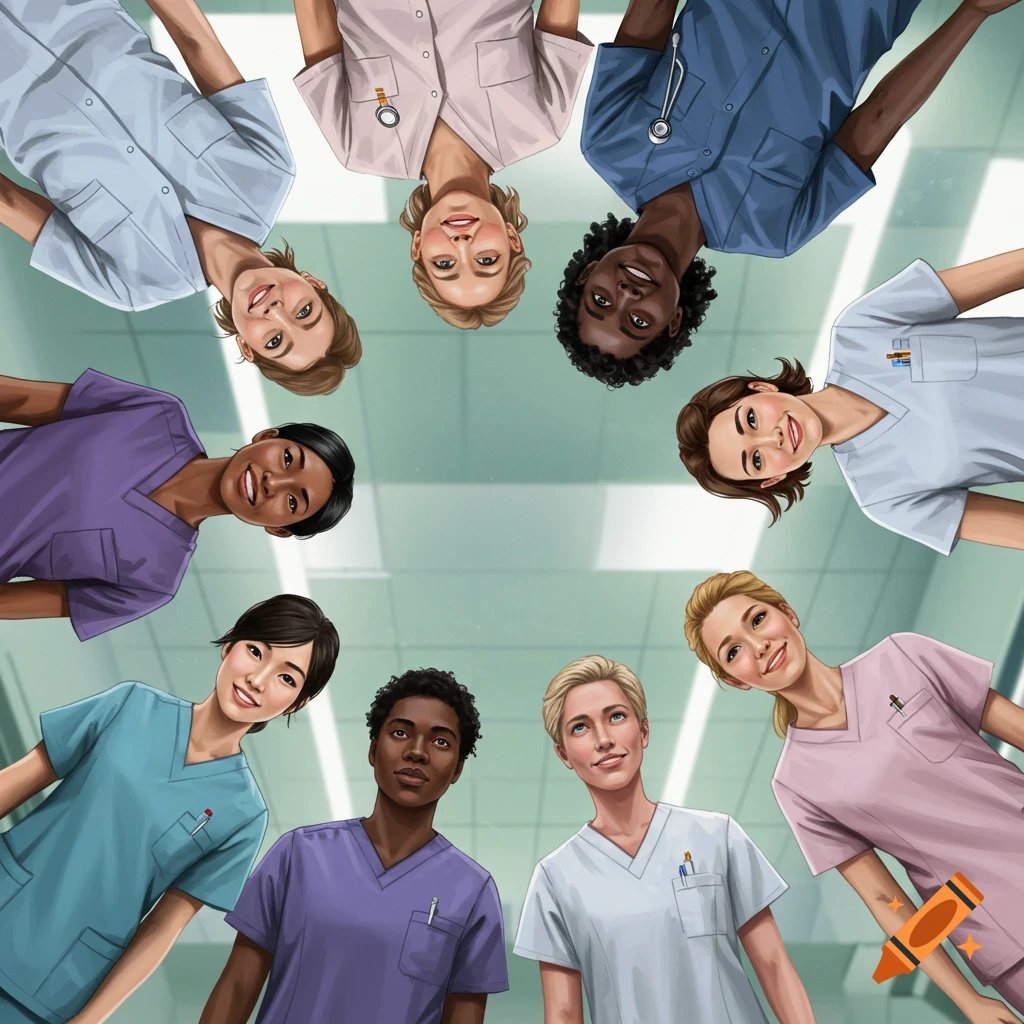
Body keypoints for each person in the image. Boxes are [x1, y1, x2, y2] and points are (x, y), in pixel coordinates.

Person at [554, 0, 1022, 387]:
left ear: (588, 273)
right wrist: (975, 12)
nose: (627, 296)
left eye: (601, 301)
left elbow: (655, 6)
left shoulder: (608, 141)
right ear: (672, 320)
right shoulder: (776, 229)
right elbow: (879, 117)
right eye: (639, 322)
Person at [685, 569, 1024, 1023]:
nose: (757, 646)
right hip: (1003, 934)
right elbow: (888, 901)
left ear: (788, 612)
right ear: (735, 680)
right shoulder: (796, 783)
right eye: (733, 652)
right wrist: (968, 1001)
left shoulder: (903, 656)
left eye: (758, 619)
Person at [0, 594, 341, 1024]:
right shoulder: (131, 706)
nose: (257, 679)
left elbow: (164, 927)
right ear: (229, 646)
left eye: (286, 679)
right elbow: (15, 782)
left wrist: (89, 1020)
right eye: (256, 651)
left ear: (297, 703)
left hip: (54, 982)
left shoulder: (244, 815)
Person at [0, 0, 361, 396]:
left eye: (274, 340)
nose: (276, 313)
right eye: (304, 312)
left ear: (248, 348)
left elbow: (10, 202)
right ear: (313, 283)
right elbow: (192, 36)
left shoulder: (130, 286)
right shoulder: (270, 169)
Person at [514, 655, 816, 1024]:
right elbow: (562, 1014)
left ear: (643, 731)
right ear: (563, 753)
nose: (604, 739)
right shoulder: (556, 878)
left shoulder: (717, 837)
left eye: (616, 716)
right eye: (580, 727)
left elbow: (774, 966)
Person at [200, 668, 508, 1024]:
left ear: (456, 769)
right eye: (400, 733)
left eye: (441, 741)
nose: (417, 752)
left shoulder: (473, 891)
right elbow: (238, 986)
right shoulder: (298, 854)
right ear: (374, 749)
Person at [677, 245, 1024, 554]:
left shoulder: (861, 328)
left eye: (751, 420)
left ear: (761, 389)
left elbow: (1015, 267)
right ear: (772, 480)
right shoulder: (885, 498)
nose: (773, 438)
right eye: (756, 460)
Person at [290, 0, 593, 329]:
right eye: (486, 260)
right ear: (511, 238)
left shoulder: (357, 147)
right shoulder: (542, 123)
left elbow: (314, 12)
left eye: (445, 263)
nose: (462, 246)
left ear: (418, 246)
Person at [0, 368, 354, 640]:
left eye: (293, 502)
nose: (272, 481)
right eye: (288, 458)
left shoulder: (154, 580)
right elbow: (16, 399)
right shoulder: (158, 413)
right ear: (267, 436)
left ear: (278, 529)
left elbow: (8, 604)